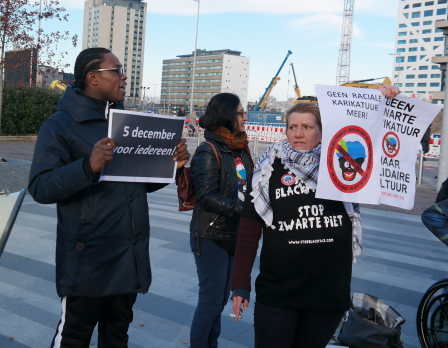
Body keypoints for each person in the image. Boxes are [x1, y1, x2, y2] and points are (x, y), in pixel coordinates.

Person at [28, 47, 190, 348]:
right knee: (73, 337)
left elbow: (136, 185)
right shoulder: (60, 125)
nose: (123, 76)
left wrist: (172, 165)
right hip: (88, 257)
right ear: (92, 78)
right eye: (115, 70)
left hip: (128, 254)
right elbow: (40, 187)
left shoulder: (127, 122)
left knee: (117, 337)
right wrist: (88, 167)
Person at [230, 84, 399, 348]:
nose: (298, 133)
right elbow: (249, 231)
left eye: (307, 127)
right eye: (292, 127)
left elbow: (380, 141)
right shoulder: (267, 171)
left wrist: (383, 103)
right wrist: (240, 284)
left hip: (327, 293)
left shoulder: (343, 167)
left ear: (322, 132)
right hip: (279, 292)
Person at [188, 93, 252, 348]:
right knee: (210, 301)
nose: (245, 117)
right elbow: (206, 197)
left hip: (235, 235)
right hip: (211, 234)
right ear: (227, 115)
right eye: (240, 112)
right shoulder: (208, 150)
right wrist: (243, 209)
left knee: (221, 298)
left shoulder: (241, 148)